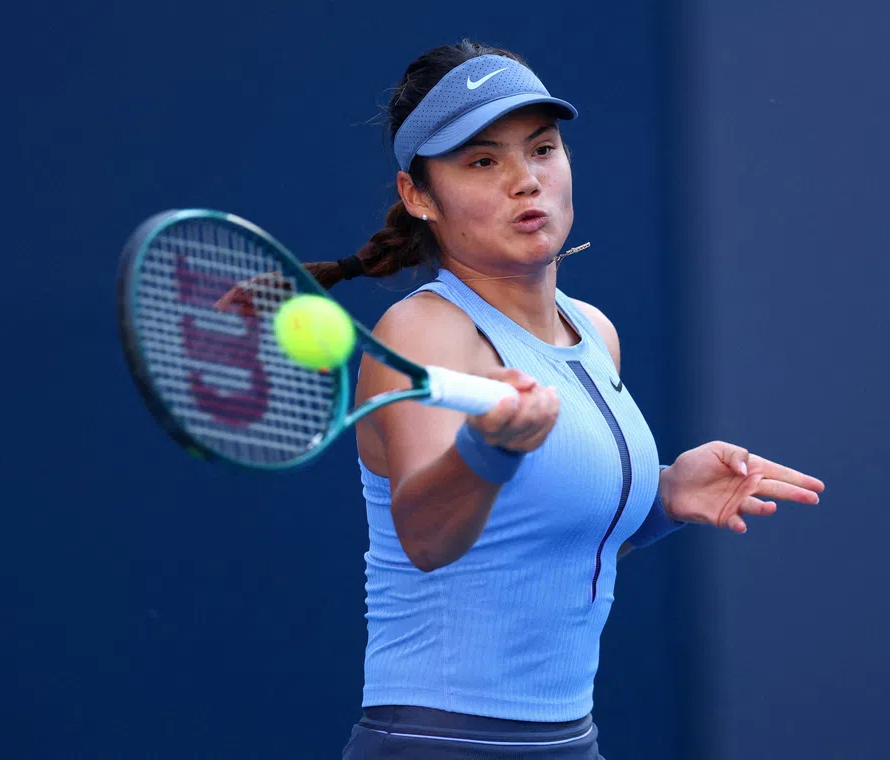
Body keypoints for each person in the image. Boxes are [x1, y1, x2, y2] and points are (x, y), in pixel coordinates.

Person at [304, 41, 825, 759]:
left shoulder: (595, 332)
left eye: (542, 150)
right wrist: (489, 450)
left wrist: (666, 496)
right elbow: (428, 538)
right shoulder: (424, 331)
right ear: (418, 195)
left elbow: (540, 537)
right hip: (441, 745)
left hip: (569, 744)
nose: (526, 181)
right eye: (483, 161)